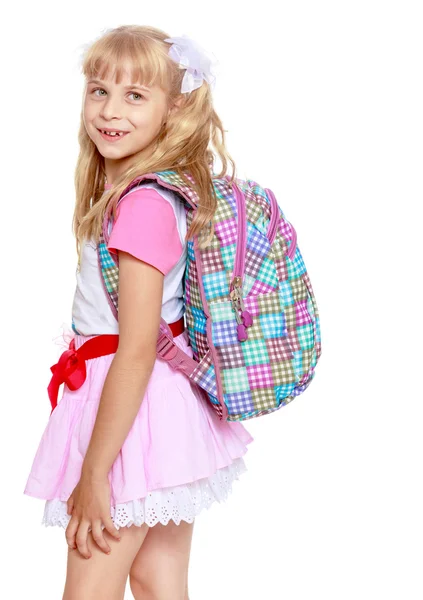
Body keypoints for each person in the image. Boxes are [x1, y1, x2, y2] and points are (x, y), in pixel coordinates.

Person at [23, 25, 254, 600]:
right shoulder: (154, 192)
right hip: (163, 409)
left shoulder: (143, 205)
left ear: (174, 108)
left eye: (135, 95)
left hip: (129, 411)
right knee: (158, 582)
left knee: (89, 590)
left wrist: (95, 472)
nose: (109, 110)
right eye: (98, 90)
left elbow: (136, 346)